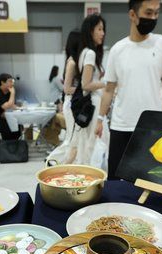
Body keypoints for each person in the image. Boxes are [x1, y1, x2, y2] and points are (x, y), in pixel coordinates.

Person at [95, 0, 162, 179]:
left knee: (150, 181)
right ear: (132, 15)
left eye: (157, 13)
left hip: (152, 126)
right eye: (148, 13)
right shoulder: (118, 50)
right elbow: (109, 90)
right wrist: (99, 119)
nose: (153, 18)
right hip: (122, 125)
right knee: (116, 181)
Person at [66, 14, 108, 165]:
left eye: (103, 29)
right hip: (93, 104)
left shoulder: (85, 52)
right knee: (93, 146)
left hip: (92, 104)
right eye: (99, 29)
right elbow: (86, 84)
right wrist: (106, 84)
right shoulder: (89, 53)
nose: (103, 33)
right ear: (90, 31)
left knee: (88, 146)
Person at [46, 29, 80, 162]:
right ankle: (54, 162)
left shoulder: (75, 60)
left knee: (73, 140)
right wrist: (85, 89)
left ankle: (60, 164)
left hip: (71, 102)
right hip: (71, 103)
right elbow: (66, 89)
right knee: (72, 140)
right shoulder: (72, 62)